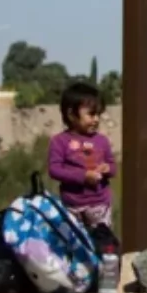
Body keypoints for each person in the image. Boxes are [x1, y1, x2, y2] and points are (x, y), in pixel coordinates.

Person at [47, 81, 116, 230]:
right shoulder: (60, 141)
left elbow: (113, 167)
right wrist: (83, 176)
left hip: (99, 206)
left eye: (98, 114)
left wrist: (107, 168)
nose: (96, 119)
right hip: (72, 206)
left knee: (102, 245)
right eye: (91, 114)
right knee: (74, 245)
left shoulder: (102, 141)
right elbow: (54, 169)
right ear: (71, 114)